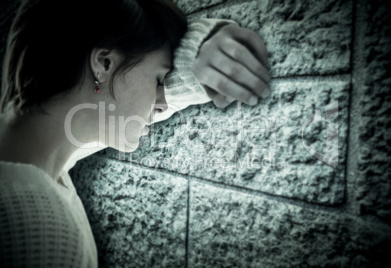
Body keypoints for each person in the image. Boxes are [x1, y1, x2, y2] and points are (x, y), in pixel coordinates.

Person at [0, 0, 270, 266]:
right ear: (104, 64)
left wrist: (196, 55)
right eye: (159, 80)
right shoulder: (43, 233)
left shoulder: (37, 153)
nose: (163, 101)